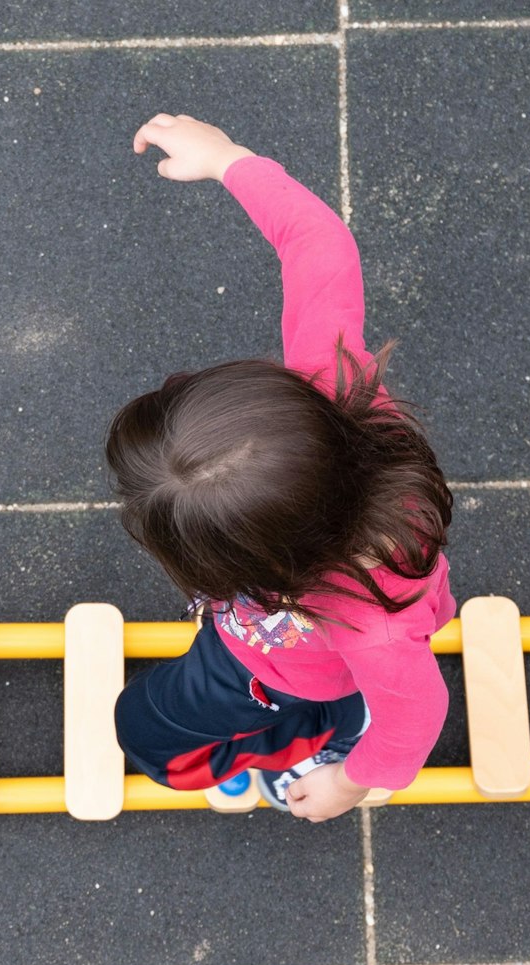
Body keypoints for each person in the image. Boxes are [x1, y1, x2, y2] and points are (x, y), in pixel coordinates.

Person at [106, 114, 457, 824]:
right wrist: (232, 160)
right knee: (147, 712)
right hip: (270, 635)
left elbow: (417, 718)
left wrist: (348, 782)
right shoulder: (329, 380)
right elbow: (316, 242)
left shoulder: (370, 628)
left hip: (287, 676)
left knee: (146, 735)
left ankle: (317, 734)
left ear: (259, 565)